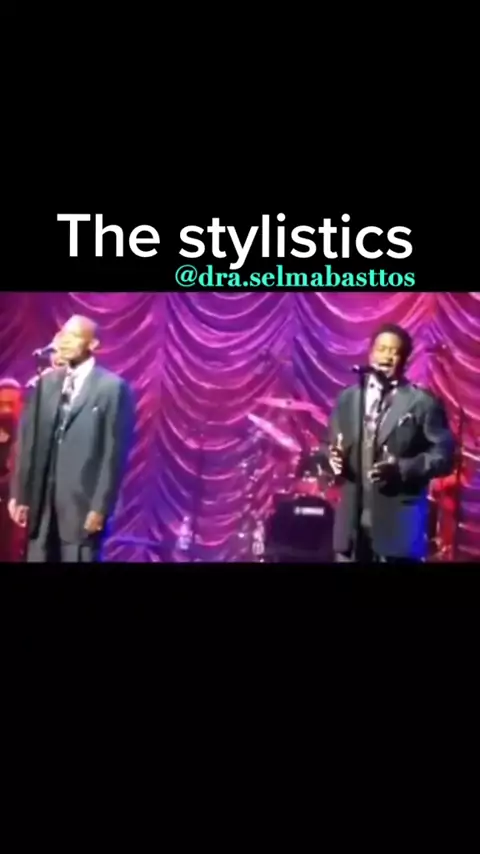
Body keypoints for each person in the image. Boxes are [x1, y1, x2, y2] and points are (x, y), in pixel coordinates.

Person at [8, 315, 135, 562]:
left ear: (93, 344)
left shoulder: (111, 388)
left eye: (74, 336)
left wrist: (100, 507)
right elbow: (28, 441)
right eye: (63, 335)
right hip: (42, 504)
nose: (65, 341)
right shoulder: (46, 383)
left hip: (81, 507)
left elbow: (113, 454)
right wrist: (20, 494)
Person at [328, 323, 455, 563]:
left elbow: (445, 456)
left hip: (398, 527)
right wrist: (333, 459)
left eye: (394, 352)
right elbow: (330, 443)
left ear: (404, 360)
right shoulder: (348, 398)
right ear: (370, 353)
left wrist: (402, 468)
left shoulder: (422, 403)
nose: (386, 357)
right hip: (352, 527)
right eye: (381, 349)